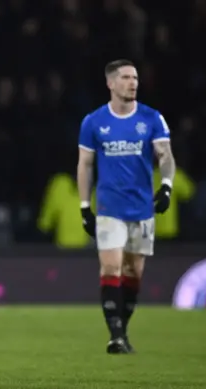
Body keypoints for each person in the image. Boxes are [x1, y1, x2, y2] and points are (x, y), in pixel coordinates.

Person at [76, 59, 175, 354]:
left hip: (142, 209)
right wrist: (84, 206)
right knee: (110, 266)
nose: (133, 82)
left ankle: (123, 330)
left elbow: (165, 155)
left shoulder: (152, 118)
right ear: (110, 83)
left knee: (133, 273)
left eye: (135, 77)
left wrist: (167, 186)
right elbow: (85, 164)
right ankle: (115, 335)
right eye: (126, 77)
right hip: (109, 208)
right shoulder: (93, 122)